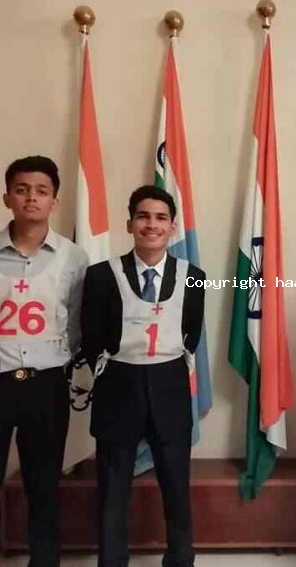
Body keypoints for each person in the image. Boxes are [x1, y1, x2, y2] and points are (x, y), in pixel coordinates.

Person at [80, 185, 204, 567]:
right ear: (130, 223)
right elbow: (91, 336)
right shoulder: (101, 275)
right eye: (144, 216)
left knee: (176, 488)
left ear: (172, 226)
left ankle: (180, 559)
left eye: (161, 218)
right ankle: (112, 561)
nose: (152, 225)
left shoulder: (194, 276)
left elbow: (191, 334)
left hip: (169, 388)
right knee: (113, 489)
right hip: (119, 387)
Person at [0, 155, 88, 566]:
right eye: (22, 189)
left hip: (45, 385)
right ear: (7, 197)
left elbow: (75, 321)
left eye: (42, 191)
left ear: (54, 202)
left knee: (43, 486)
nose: (31, 198)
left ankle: (44, 561)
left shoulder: (73, 257)